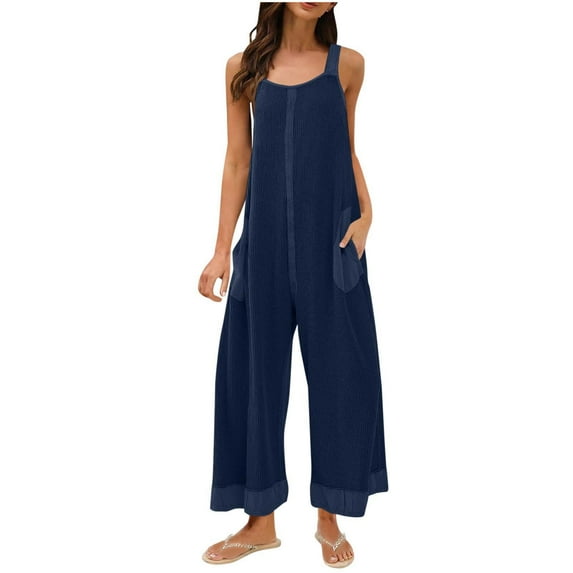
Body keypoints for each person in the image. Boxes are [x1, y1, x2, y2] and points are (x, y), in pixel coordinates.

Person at [197, 2, 388, 567]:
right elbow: (238, 160)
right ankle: (259, 523)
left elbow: (345, 149)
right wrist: (221, 249)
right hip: (264, 250)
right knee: (253, 380)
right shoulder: (242, 68)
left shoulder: (348, 65)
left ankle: (330, 518)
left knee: (342, 378)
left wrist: (367, 216)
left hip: (332, 244)